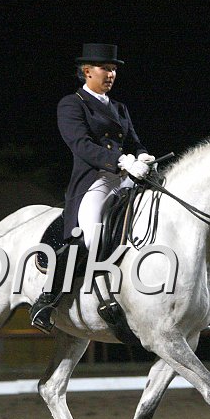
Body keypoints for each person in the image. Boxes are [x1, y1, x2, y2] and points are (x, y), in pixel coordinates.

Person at [31, 43, 155, 332]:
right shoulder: (72, 104)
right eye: (105, 68)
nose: (111, 74)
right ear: (87, 71)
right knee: (92, 235)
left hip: (127, 178)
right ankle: (49, 298)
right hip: (95, 181)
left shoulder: (119, 107)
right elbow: (81, 145)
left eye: (113, 69)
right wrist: (121, 161)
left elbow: (134, 141)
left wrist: (143, 156)